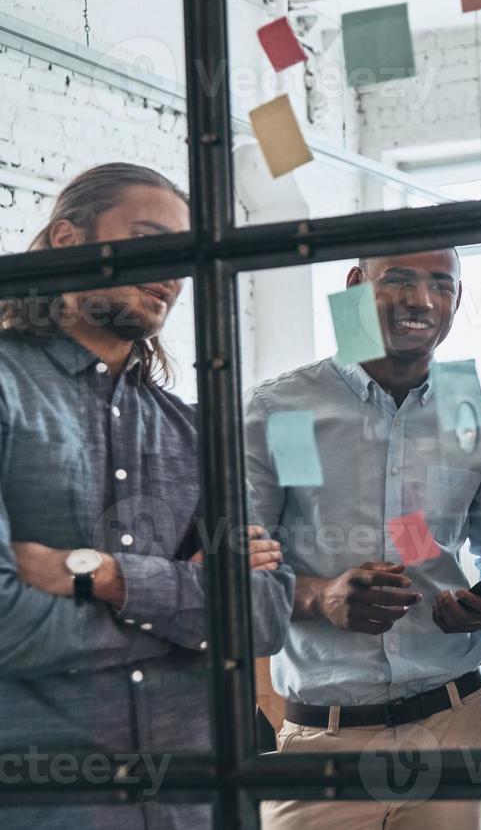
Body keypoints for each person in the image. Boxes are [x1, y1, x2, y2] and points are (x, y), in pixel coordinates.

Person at [0, 163, 292, 830]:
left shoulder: (194, 429)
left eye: (181, 252)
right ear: (70, 240)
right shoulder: (7, 391)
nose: (171, 270)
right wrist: (187, 617)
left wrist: (100, 576)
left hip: (200, 807)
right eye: (146, 238)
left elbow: (263, 616)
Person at [250, 248, 481, 830]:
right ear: (356, 285)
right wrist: (321, 597)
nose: (422, 300)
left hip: (456, 726)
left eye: (441, 284)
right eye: (399, 280)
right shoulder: (285, 411)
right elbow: (241, 567)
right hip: (322, 739)